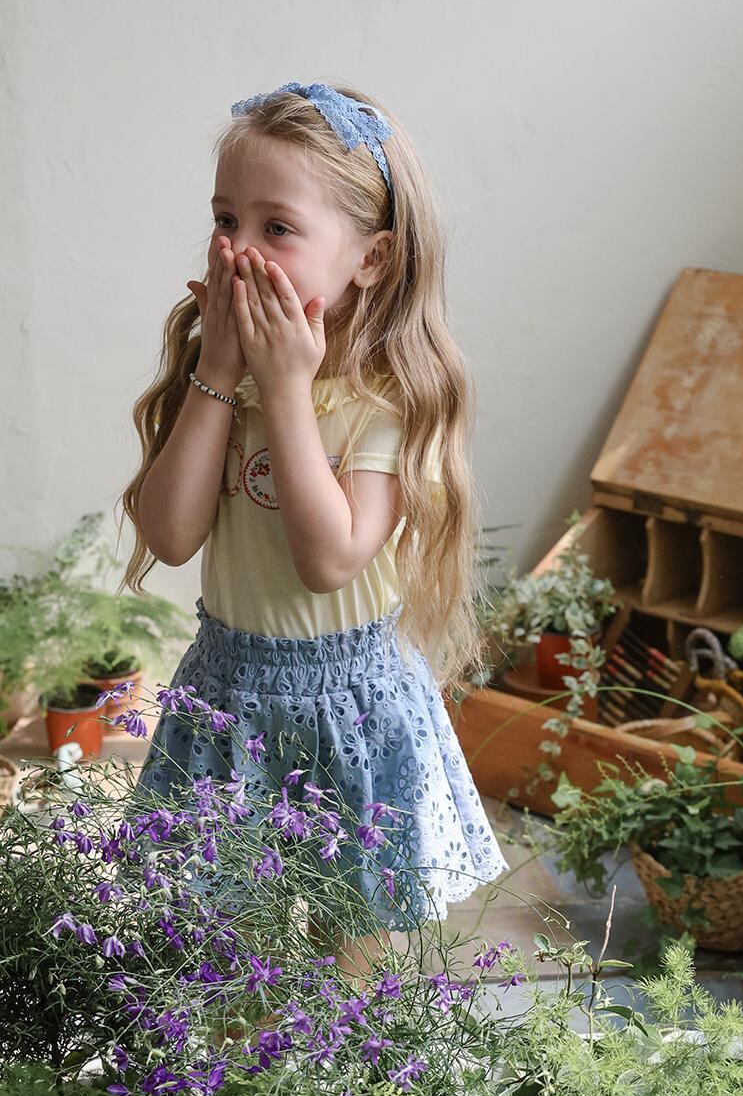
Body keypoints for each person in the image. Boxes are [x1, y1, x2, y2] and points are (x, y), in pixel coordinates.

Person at [116, 78, 509, 974]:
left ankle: (346, 1063)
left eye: (277, 227)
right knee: (224, 955)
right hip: (228, 695)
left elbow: (330, 559)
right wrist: (220, 374)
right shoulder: (219, 379)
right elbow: (170, 537)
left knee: (351, 958)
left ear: (369, 258)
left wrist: (287, 389)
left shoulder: (385, 399)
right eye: (225, 220)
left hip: (351, 708)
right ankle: (237, 1062)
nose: (238, 250)